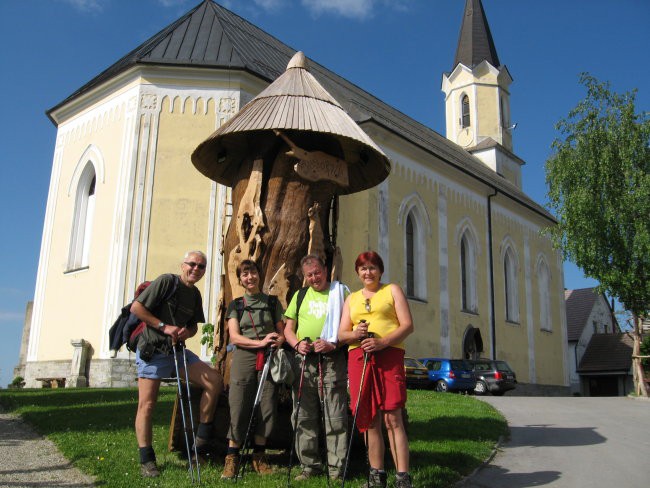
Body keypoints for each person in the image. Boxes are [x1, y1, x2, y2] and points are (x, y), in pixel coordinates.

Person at [131, 250, 223, 478]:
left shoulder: (195, 295)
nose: (196, 269)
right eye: (192, 264)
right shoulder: (166, 282)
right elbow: (136, 308)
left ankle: (199, 447)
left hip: (177, 351)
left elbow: (193, 326)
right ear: (183, 265)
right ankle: (147, 460)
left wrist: (185, 332)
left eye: (201, 266)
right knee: (147, 405)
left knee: (214, 380)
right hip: (154, 350)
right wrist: (164, 327)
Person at [338, 251, 414, 488]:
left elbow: (407, 325)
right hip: (359, 357)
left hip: (389, 355)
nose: (367, 272)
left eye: (372, 268)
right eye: (363, 268)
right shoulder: (352, 299)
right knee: (368, 417)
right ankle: (376, 475)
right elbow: (342, 334)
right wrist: (355, 334)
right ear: (358, 273)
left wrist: (383, 342)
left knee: (393, 417)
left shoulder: (392, 290)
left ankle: (402, 477)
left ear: (380, 270)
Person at [284, 254, 349, 481]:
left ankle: (336, 469)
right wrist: (296, 343)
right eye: (309, 275)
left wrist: (334, 343)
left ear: (325, 269)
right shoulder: (300, 296)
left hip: (332, 360)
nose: (314, 278)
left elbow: (349, 328)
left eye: (317, 273)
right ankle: (309, 466)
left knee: (336, 416)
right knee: (303, 415)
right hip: (305, 361)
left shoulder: (340, 293)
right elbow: (288, 329)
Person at [221, 259, 285, 479]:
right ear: (240, 279)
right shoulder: (236, 305)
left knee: (267, 405)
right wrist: (259, 343)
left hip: (268, 359)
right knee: (239, 404)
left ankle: (259, 456)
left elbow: (281, 331)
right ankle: (232, 457)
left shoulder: (272, 303)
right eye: (245, 274)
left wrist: (278, 341)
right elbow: (235, 336)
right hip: (244, 358)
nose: (250, 277)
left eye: (253, 272)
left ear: (259, 275)